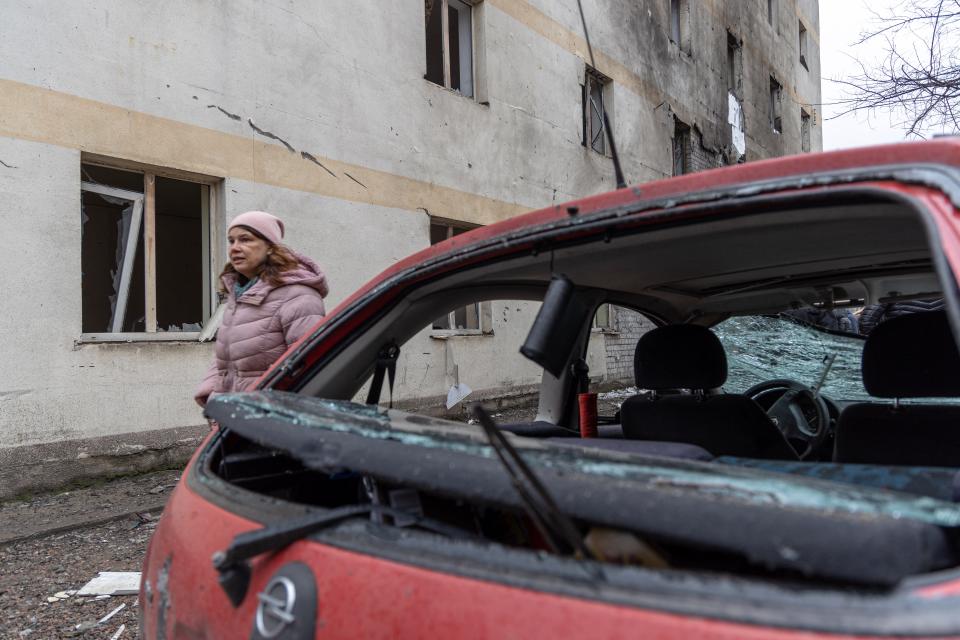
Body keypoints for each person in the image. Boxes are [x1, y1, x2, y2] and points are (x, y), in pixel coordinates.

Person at [194, 210, 328, 408]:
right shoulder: (239, 295)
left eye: (245, 239)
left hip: (269, 418)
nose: (235, 248)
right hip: (232, 414)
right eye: (231, 241)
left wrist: (264, 410)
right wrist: (211, 394)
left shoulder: (299, 296)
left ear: (270, 247)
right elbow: (225, 357)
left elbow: (308, 366)